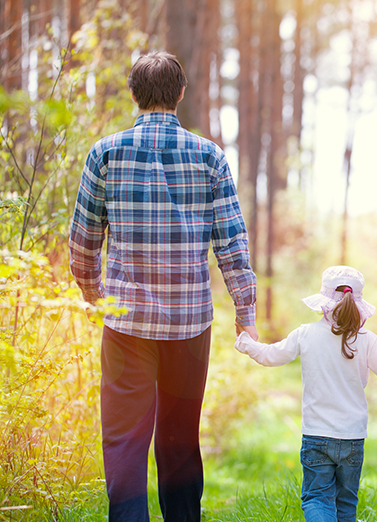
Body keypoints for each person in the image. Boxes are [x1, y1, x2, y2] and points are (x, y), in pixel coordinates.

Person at [68, 50, 257, 521]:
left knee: (124, 438)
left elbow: (82, 243)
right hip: (189, 324)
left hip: (126, 321)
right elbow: (231, 242)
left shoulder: (105, 153)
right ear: (180, 93)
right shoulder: (209, 156)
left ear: (133, 94)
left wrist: (97, 297)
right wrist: (245, 312)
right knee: (179, 435)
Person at [235, 265, 377, 522]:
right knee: (346, 505)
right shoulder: (367, 339)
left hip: (316, 435)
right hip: (352, 438)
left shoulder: (305, 334)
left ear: (323, 302)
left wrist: (245, 342)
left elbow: (271, 356)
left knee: (317, 498)